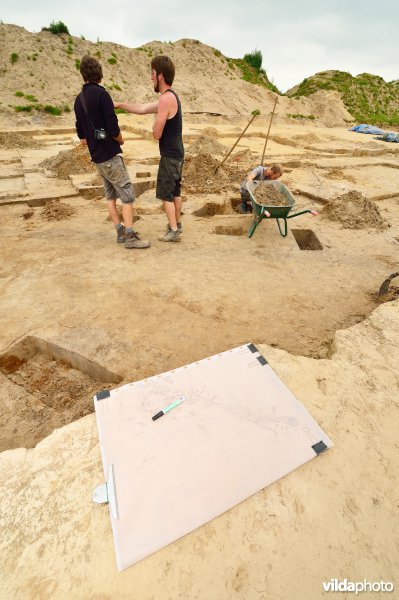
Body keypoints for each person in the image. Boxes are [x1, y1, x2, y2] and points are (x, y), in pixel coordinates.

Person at [74, 55, 150, 249]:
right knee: (127, 194)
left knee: (110, 195)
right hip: (109, 154)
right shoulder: (102, 94)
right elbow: (113, 126)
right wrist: (120, 139)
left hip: (97, 157)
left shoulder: (78, 100)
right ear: (99, 73)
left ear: (83, 75)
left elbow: (82, 138)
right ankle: (131, 237)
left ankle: (120, 231)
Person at [115, 56, 184, 242]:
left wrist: (155, 124)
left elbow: (156, 134)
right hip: (177, 153)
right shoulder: (171, 96)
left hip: (169, 155)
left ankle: (174, 230)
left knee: (166, 194)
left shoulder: (165, 100)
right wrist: (121, 105)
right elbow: (143, 108)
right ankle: (177, 224)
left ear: (160, 75)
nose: (151, 77)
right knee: (175, 192)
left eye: (153, 73)